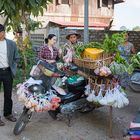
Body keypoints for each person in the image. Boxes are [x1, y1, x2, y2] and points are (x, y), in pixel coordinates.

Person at [0, 24, 20, 126]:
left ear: (3, 33)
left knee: (8, 94)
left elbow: (17, 57)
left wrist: (13, 67)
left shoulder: (11, 44)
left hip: (7, 72)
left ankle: (7, 114)